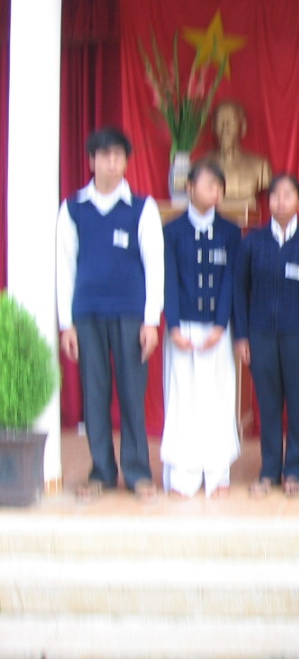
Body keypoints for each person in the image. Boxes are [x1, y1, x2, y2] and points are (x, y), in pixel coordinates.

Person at [56, 126, 164, 502]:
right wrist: (66, 324)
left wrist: (151, 321)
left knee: (133, 394)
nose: (112, 163)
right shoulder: (73, 208)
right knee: (95, 395)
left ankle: (138, 473)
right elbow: (65, 267)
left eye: (118, 156)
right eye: (105, 155)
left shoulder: (142, 207)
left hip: (131, 315)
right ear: (91, 161)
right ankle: (101, 471)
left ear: (126, 162)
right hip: (87, 315)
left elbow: (155, 265)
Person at [234, 174, 299, 498]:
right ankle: (269, 470)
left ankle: (296, 471)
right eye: (275, 195)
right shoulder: (252, 242)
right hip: (260, 335)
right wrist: (241, 336)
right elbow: (239, 290)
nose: (280, 201)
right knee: (268, 405)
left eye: (288, 195)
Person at [160, 158, 241, 499]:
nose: (215, 192)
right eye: (209, 185)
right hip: (183, 329)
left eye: (220, 187)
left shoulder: (230, 232)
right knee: (183, 399)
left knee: (218, 397)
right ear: (190, 188)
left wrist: (221, 325)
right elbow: (168, 281)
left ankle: (218, 473)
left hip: (216, 331)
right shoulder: (172, 231)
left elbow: (230, 282)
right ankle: (183, 475)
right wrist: (174, 326)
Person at [207, 100, 273, 204]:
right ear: (213, 126)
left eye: (231, 121)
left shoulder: (261, 166)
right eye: (220, 121)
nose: (225, 127)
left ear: (243, 126)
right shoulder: (200, 165)